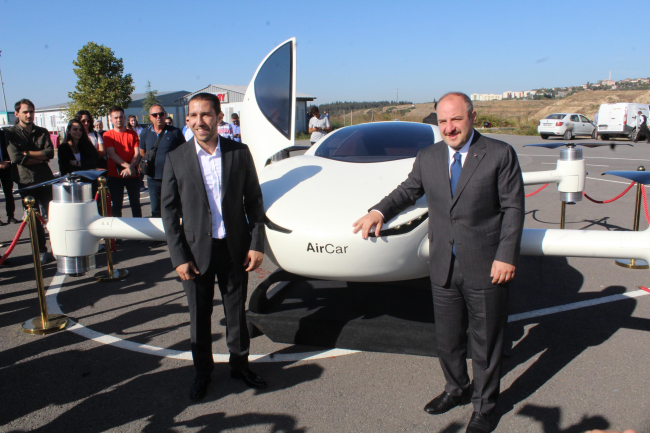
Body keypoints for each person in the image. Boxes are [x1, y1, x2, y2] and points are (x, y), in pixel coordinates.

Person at [352, 92, 525, 433]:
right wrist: (378, 211)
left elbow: (513, 208)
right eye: (443, 121)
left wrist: (506, 255)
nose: (449, 128)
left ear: (472, 116)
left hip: (486, 264)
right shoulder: (429, 156)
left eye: (456, 119)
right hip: (443, 263)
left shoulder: (499, 154)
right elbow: (408, 190)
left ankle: (485, 407)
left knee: (486, 343)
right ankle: (456, 388)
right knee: (447, 338)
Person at [161, 92, 266, 401]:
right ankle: (202, 372)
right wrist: (178, 256)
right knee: (199, 315)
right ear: (187, 120)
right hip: (195, 253)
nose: (199, 121)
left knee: (236, 312)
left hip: (234, 249)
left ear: (219, 117)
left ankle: (240, 365)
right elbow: (169, 212)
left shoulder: (239, 153)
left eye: (206, 114)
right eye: (193, 116)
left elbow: (254, 201)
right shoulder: (176, 158)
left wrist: (257, 244)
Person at [5, 99, 57, 263]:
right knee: (34, 221)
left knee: (54, 217)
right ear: (17, 114)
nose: (29, 115)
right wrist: (40, 158)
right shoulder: (11, 133)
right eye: (25, 112)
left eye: (31, 112)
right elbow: (16, 158)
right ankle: (41, 251)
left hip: (45, 179)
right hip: (26, 182)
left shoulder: (42, 131)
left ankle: (58, 248)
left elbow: (50, 153)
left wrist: (27, 154)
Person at [139, 104, 185, 221]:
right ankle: (158, 232)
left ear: (165, 115)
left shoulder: (175, 132)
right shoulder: (145, 133)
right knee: (156, 209)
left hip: (171, 177)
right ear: (150, 117)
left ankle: (177, 231)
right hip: (153, 178)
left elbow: (183, 152)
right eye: (155, 115)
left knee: (174, 207)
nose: (158, 117)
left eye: (161, 114)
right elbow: (142, 151)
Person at [103, 106, 142, 218]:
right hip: (115, 176)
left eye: (120, 117)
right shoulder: (107, 135)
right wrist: (128, 167)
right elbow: (112, 154)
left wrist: (131, 167)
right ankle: (118, 229)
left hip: (133, 174)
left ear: (124, 118)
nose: (118, 120)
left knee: (136, 205)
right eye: (115, 118)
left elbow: (137, 153)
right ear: (111, 120)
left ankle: (139, 228)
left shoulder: (133, 134)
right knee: (116, 206)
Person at [0, 127, 17, 225]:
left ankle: (11, 216)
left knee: (9, 193)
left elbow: (10, 148)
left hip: (6, 167)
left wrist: (7, 161)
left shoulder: (4, 134)